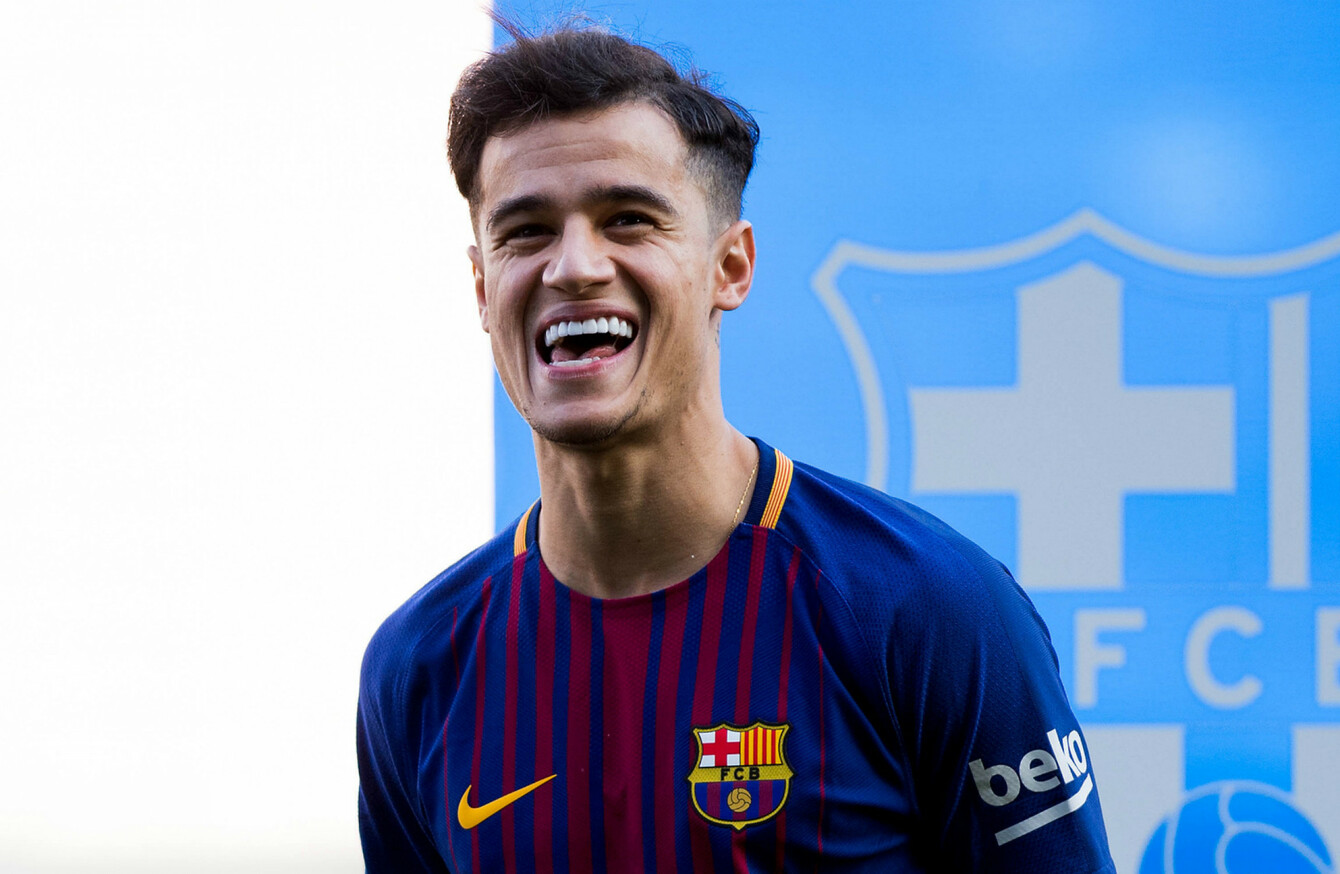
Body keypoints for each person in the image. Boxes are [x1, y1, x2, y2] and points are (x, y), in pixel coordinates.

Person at [357, 19, 1116, 874]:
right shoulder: (418, 667)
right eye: (525, 231)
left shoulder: (928, 610)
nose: (573, 266)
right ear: (481, 285)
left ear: (732, 267)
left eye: (628, 220)